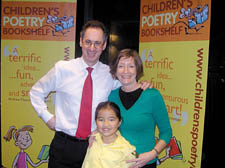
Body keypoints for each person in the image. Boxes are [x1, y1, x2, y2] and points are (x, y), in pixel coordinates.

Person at [29, 20, 150, 168]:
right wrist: (47, 118)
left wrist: (143, 84)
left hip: (94, 146)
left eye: (97, 43)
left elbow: (128, 84)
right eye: (88, 42)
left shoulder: (109, 74)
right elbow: (36, 92)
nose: (92, 48)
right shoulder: (62, 69)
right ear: (81, 42)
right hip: (63, 146)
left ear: (104, 45)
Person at [108, 49, 172, 168]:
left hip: (145, 163)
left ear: (137, 69)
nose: (126, 71)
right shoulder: (111, 96)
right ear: (115, 71)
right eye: (121, 66)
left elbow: (166, 132)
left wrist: (153, 153)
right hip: (118, 162)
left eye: (131, 66)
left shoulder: (152, 95)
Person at [82, 101, 137, 168]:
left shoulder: (126, 150)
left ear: (119, 122)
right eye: (101, 120)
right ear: (96, 121)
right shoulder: (93, 139)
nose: (106, 124)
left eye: (111, 120)